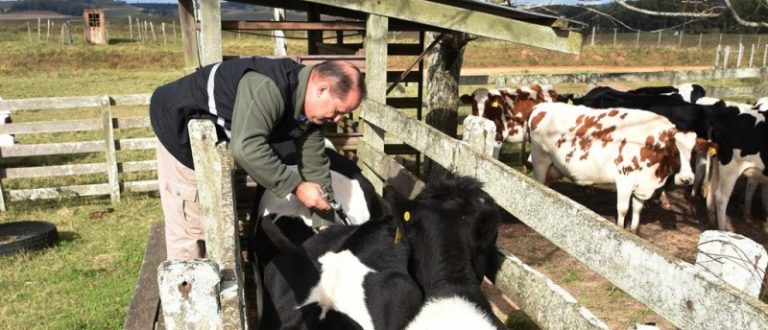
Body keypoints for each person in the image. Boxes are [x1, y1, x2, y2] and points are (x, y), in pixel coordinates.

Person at [150, 57, 366, 260]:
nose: (336, 119)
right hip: (181, 128)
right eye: (338, 110)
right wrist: (297, 187)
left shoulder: (308, 114)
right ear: (322, 89)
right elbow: (246, 148)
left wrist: (325, 227)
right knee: (193, 225)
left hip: (214, 136)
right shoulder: (268, 89)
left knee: (216, 216)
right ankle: (186, 292)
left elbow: (315, 164)